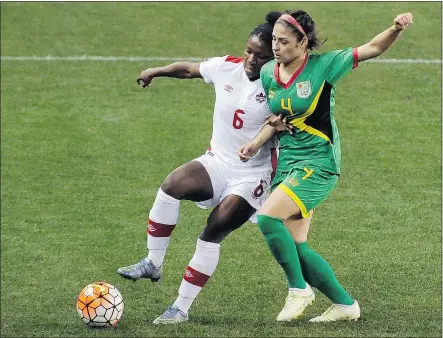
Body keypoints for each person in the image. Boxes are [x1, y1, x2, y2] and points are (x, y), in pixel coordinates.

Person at [238, 10, 413, 323]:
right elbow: (279, 119)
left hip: (318, 163)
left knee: (266, 219)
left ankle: (298, 290)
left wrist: (395, 28)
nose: (276, 47)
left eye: (284, 41)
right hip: (288, 163)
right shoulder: (268, 73)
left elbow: (372, 48)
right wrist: (255, 144)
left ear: (303, 42)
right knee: (296, 247)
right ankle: (345, 305)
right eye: (274, 40)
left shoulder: (324, 66)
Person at [117, 14, 281, 324]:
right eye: (249, 51)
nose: (251, 60)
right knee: (171, 186)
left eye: (260, 56)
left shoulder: (280, 86)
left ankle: (180, 308)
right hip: (217, 162)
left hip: (251, 177)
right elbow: (190, 69)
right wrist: (157, 71)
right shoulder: (227, 67)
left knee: (211, 234)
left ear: (274, 56)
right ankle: (153, 262)